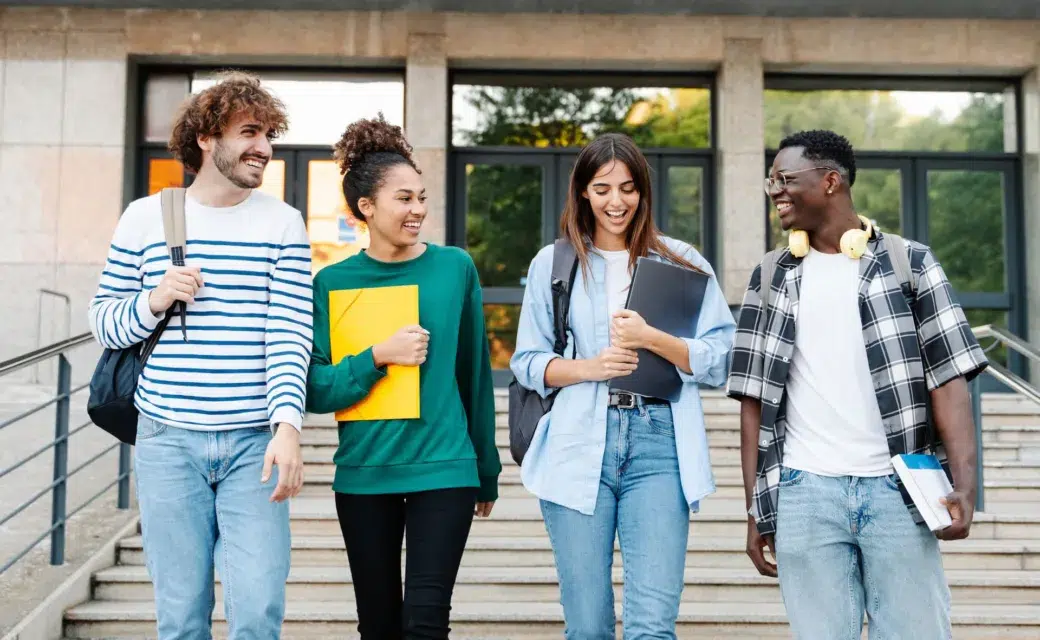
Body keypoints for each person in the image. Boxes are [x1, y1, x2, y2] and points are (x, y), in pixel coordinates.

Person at [727, 129, 988, 639]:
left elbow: (949, 381)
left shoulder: (909, 263)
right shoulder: (769, 275)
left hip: (899, 491)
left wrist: (964, 482)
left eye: (786, 179)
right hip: (804, 494)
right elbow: (753, 401)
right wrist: (755, 509)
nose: (776, 191)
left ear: (830, 182)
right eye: (770, 181)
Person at [88, 71, 311, 638]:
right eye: (250, 131)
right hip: (167, 442)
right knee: (182, 617)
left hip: (253, 444)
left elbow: (288, 331)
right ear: (207, 138)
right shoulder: (144, 217)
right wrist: (156, 298)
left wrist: (288, 425)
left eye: (269, 134)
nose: (263, 147)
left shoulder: (282, 224)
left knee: (258, 611)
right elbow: (104, 323)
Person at [510, 132, 735, 639]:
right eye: (603, 188)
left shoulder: (682, 262)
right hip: (575, 440)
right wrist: (590, 367)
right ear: (583, 192)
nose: (617, 201)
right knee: (587, 628)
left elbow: (723, 359)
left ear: (643, 192)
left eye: (629, 188)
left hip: (660, 442)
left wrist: (653, 338)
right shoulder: (555, 262)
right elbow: (526, 361)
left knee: (652, 628)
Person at [305, 114, 500, 640]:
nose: (418, 210)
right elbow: (315, 389)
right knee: (378, 626)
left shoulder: (454, 267)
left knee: (426, 625)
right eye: (404, 199)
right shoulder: (331, 282)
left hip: (445, 469)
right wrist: (376, 356)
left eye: (421, 197)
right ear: (366, 207)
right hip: (366, 472)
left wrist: (486, 468)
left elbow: (473, 376)